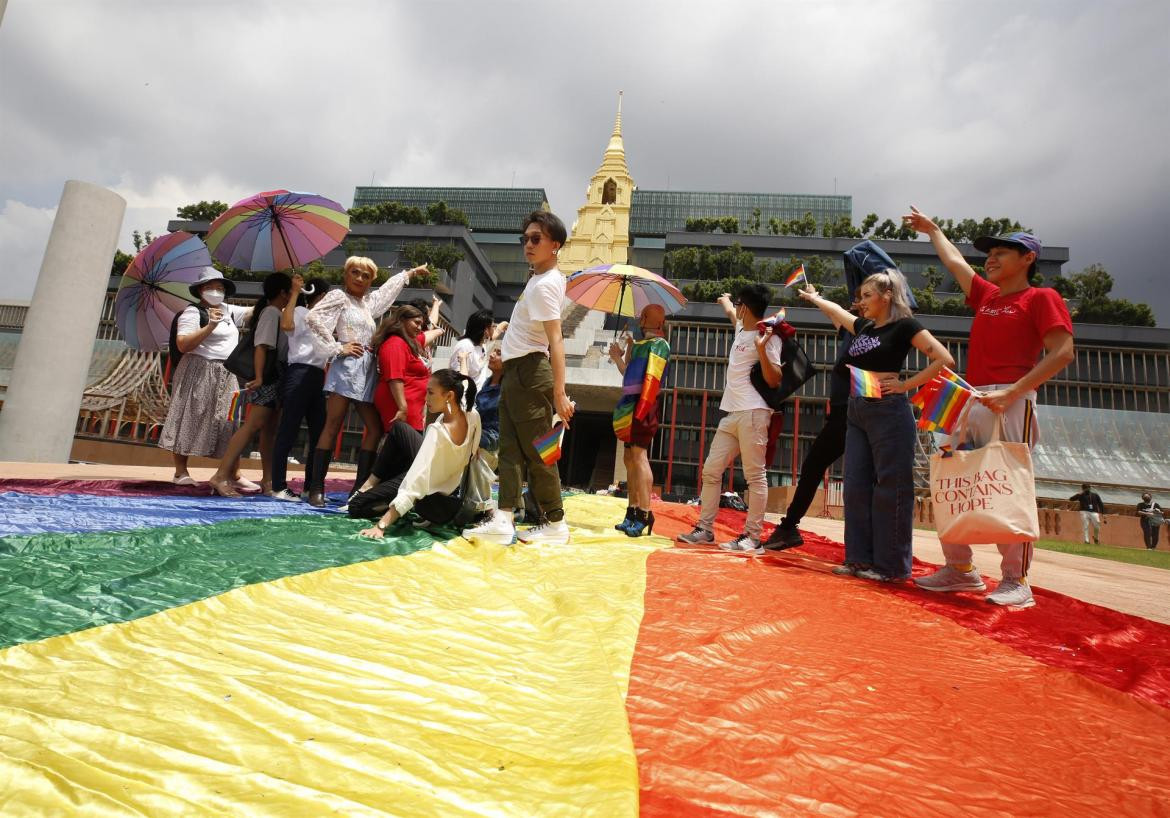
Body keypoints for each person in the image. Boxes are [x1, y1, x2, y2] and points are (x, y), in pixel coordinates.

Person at [904, 207, 1075, 608]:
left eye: (1002, 252)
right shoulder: (987, 294)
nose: (991, 259)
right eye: (990, 253)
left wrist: (1012, 393)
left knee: (1006, 486)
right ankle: (959, 570)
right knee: (951, 478)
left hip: (1010, 400)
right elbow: (955, 261)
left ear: (1028, 259)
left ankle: (1016, 580)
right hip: (970, 396)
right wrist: (933, 231)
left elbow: (1063, 352)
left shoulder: (1041, 298)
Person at [798, 272, 954, 580]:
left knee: (891, 489)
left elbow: (944, 359)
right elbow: (838, 314)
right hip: (857, 410)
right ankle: (858, 560)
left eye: (867, 295)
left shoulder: (904, 326)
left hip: (889, 412)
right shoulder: (865, 327)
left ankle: (891, 567)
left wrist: (906, 384)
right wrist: (816, 298)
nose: (861, 302)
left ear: (887, 296)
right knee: (855, 487)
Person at [462, 210, 576, 547]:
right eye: (525, 238)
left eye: (536, 238)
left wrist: (559, 392)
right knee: (510, 450)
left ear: (555, 245)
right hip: (515, 371)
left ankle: (555, 522)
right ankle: (504, 517)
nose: (528, 244)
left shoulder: (545, 285)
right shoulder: (537, 279)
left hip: (530, 372)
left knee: (540, 451)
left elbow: (556, 339)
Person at [303, 257, 429, 507]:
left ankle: (359, 489)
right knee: (333, 425)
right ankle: (316, 488)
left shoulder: (367, 304)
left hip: (368, 370)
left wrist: (410, 273)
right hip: (347, 367)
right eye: (355, 272)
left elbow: (386, 293)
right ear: (345, 274)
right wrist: (338, 347)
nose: (359, 278)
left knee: (375, 427)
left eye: (365, 275)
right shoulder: (338, 297)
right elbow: (313, 318)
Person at [677, 283, 785, 553]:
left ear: (746, 307)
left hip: (754, 413)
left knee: (755, 476)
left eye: (738, 303)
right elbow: (729, 312)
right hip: (732, 413)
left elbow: (775, 380)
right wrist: (725, 299)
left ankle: (753, 537)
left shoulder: (768, 336)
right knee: (711, 471)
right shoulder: (740, 326)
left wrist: (760, 349)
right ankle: (705, 529)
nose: (735, 308)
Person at [159, 267, 256, 490]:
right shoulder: (193, 313)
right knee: (189, 413)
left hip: (226, 371)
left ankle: (234, 472)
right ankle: (180, 471)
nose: (215, 291)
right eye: (210, 287)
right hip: (199, 368)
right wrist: (210, 325)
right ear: (200, 290)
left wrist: (285, 294)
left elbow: (253, 311)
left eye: (220, 287)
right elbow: (183, 344)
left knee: (229, 420)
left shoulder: (228, 310)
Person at [353, 369, 481, 533]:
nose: (425, 398)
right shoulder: (473, 415)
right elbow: (473, 450)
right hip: (446, 484)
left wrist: (381, 526)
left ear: (449, 396)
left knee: (356, 506)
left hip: (430, 495)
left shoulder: (437, 432)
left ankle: (400, 504)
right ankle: (369, 483)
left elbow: (415, 483)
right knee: (399, 427)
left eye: (430, 393)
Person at [207, 272, 293, 497]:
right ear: (283, 293)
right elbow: (261, 346)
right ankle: (221, 475)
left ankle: (268, 480)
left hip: (275, 376)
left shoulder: (276, 313)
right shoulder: (272, 313)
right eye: (290, 292)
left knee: (269, 431)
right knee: (253, 425)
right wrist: (259, 376)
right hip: (269, 377)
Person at [609, 304, 670, 537]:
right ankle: (633, 510)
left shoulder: (660, 345)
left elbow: (652, 379)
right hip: (628, 404)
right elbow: (628, 375)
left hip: (643, 403)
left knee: (638, 455)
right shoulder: (639, 345)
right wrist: (618, 356)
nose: (642, 319)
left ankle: (645, 512)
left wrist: (643, 407)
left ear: (658, 322)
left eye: (646, 316)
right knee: (629, 457)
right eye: (642, 315)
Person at [269, 274, 331, 501]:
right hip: (298, 372)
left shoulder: (324, 320)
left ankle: (310, 486)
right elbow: (285, 325)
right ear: (322, 296)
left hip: (318, 376)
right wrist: (295, 291)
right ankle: (278, 486)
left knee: (319, 433)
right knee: (288, 429)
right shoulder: (299, 311)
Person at [373, 305, 432, 434]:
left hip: (411, 407)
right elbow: (395, 377)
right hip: (401, 406)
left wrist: (439, 331)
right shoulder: (395, 344)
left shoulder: (406, 342)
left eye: (421, 324)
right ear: (402, 320)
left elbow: (425, 337)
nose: (419, 328)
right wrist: (402, 407)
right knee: (404, 450)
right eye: (416, 323)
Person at [449, 309, 507, 390]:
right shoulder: (464, 346)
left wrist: (505, 324)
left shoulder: (482, 344)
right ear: (486, 330)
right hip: (466, 399)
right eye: (493, 326)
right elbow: (457, 379)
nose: (495, 328)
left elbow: (496, 332)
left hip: (477, 398)